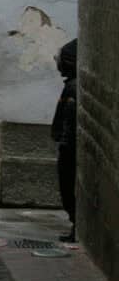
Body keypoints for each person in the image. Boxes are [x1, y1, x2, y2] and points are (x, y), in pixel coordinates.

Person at [51, 38, 78, 242]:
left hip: (70, 148)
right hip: (68, 146)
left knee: (68, 186)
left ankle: (76, 225)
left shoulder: (73, 88)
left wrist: (64, 144)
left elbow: (68, 120)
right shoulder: (72, 85)